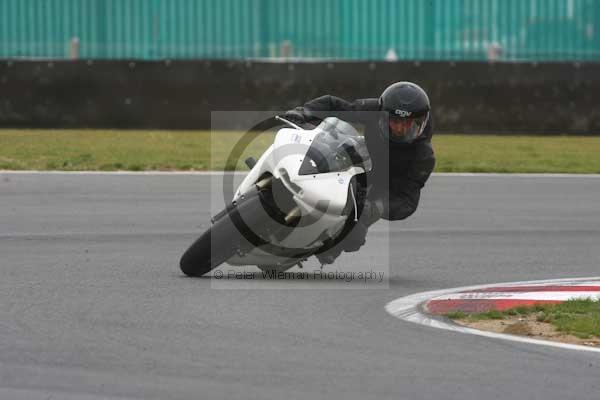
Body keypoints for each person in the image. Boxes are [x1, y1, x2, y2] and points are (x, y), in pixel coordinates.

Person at [283, 81, 435, 264]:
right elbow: (335, 105)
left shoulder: (423, 156)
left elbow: (408, 200)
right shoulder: (373, 110)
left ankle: (314, 246)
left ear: (422, 122)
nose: (401, 129)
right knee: (324, 148)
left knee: (349, 239)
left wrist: (377, 207)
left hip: (381, 189)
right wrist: (305, 112)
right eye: (395, 122)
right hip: (363, 156)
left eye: (408, 124)